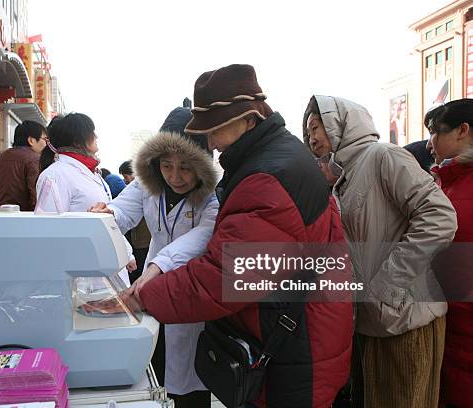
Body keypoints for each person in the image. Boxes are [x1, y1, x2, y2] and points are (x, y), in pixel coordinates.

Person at [129, 64, 353, 407]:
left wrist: (143, 296)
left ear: (248, 117)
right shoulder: (278, 154)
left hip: (296, 342)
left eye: (215, 131)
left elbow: (224, 277)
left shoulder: (267, 177)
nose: (212, 143)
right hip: (296, 325)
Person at [302, 95, 457, 408]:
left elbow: (439, 217)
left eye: (315, 127)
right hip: (372, 323)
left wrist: (387, 286)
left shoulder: (382, 156)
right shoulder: (344, 178)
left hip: (407, 321)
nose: (311, 139)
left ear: (337, 123)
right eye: (307, 133)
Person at [90, 106, 219, 407]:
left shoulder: (213, 198)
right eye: (166, 165)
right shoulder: (146, 184)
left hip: (189, 289)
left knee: (191, 379)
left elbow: (199, 239)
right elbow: (124, 211)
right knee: (156, 367)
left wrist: (160, 265)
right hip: (153, 286)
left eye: (186, 167)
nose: (175, 176)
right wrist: (107, 214)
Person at [35, 113, 134, 284]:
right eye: (91, 132)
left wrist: (126, 252)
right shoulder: (55, 175)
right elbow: (49, 233)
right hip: (83, 273)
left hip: (106, 266)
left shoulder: (92, 172)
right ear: (77, 140)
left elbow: (107, 222)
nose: (96, 136)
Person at [424, 98, 473, 408]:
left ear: (463, 130)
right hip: (447, 322)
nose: (430, 143)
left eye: (435, 132)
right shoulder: (442, 183)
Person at [0, 120, 47, 213]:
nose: (46, 144)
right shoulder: (34, 160)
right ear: (31, 140)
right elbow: (37, 198)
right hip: (23, 222)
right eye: (45, 139)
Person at [119, 160, 152, 283]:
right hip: (137, 240)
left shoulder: (147, 188)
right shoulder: (132, 190)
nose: (125, 179)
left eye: (125, 176)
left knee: (141, 272)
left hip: (143, 241)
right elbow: (120, 210)